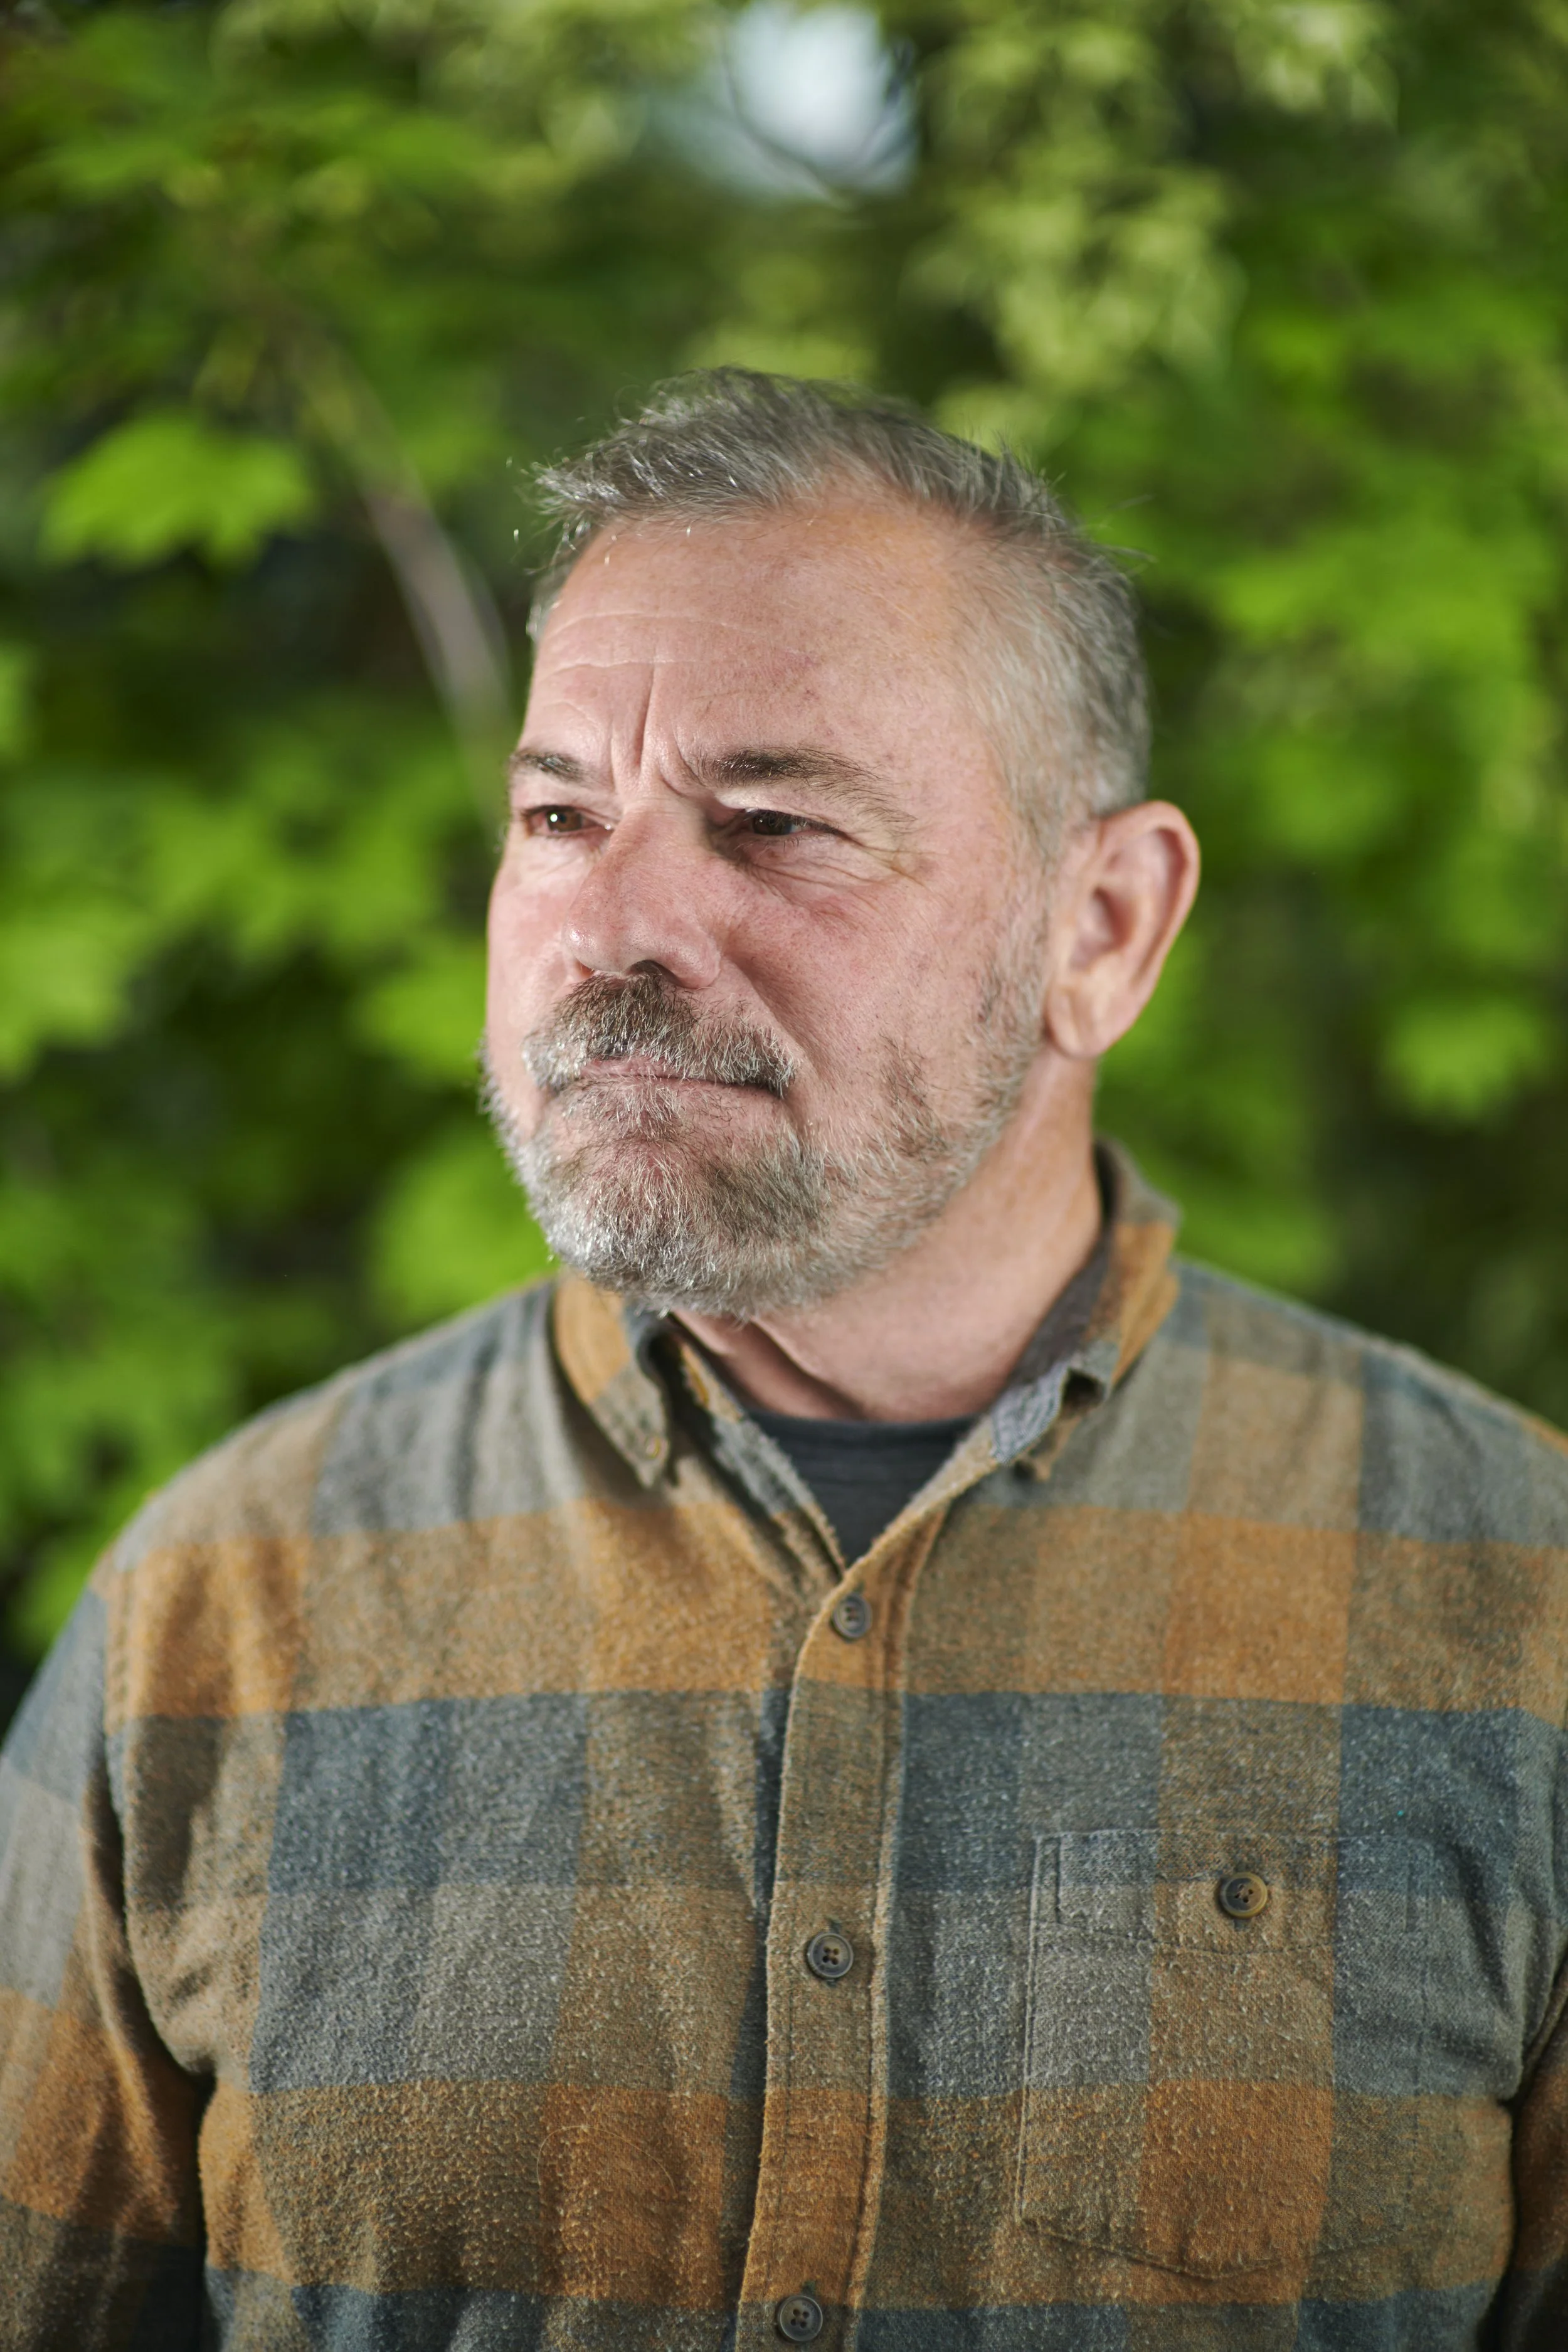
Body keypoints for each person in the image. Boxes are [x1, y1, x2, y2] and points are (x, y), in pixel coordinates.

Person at [2, 369, 1565, 2352]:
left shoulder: (1521, 1613)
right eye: (559, 812)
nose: (612, 919)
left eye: (774, 821)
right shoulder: (210, 1612)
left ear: (1102, 922)